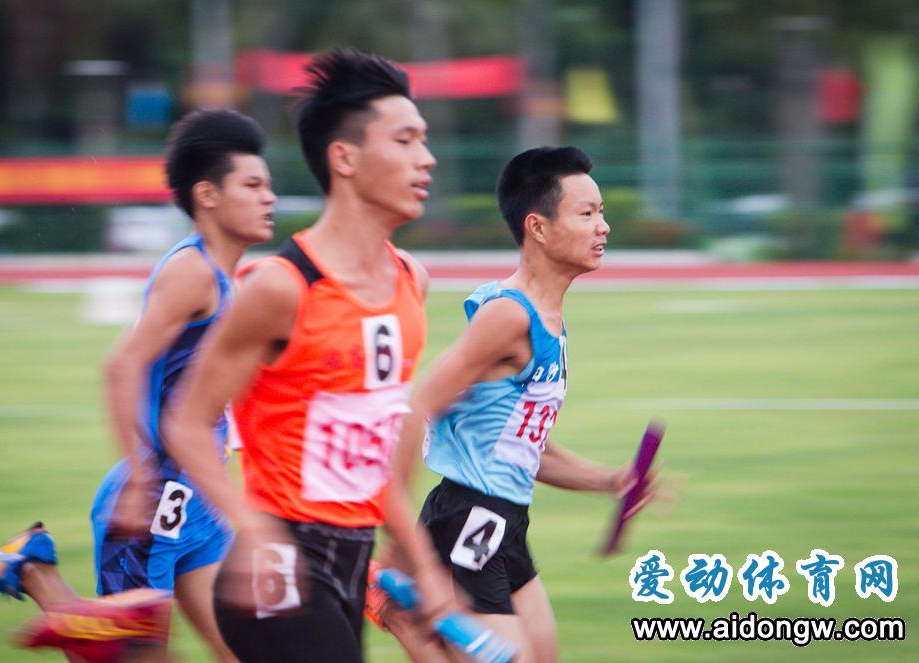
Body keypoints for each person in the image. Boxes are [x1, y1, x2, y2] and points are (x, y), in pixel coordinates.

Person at [0, 108, 276, 663]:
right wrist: (140, 479)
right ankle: (35, 573)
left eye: (268, 186)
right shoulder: (191, 273)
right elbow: (121, 366)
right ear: (208, 195)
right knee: (128, 659)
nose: (269, 198)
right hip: (154, 502)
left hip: (197, 502)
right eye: (253, 185)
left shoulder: (225, 278)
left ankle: (32, 564)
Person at [162, 48, 449, 663]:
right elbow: (186, 421)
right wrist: (251, 527)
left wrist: (421, 560)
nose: (426, 158)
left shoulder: (410, 283)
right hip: (278, 569)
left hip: (352, 561)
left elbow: (374, 453)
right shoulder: (281, 288)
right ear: (344, 158)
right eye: (404, 141)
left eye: (423, 140)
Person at [377, 146, 651, 663]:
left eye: (601, 212)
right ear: (538, 228)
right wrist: (398, 529)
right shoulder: (508, 316)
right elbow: (419, 407)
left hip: (507, 522)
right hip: (470, 517)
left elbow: (523, 448)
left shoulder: (548, 321)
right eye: (587, 213)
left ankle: (404, 614)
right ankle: (401, 616)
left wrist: (612, 480)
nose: (604, 227)